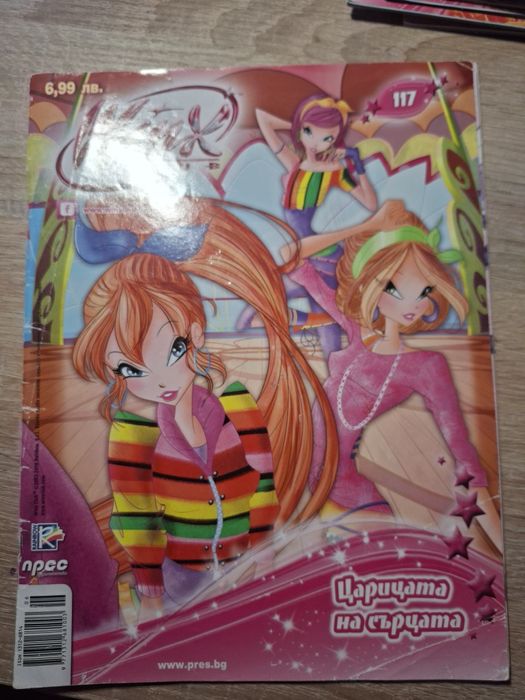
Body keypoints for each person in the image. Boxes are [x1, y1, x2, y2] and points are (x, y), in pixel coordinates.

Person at [72, 198, 338, 622]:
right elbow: (137, 516)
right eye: (129, 369)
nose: (158, 380)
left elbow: (262, 485)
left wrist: (263, 557)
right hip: (180, 581)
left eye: (173, 349)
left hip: (243, 571)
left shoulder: (236, 404)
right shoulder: (134, 431)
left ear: (195, 333)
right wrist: (151, 596)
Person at [281, 199, 502, 551]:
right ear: (370, 283)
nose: (413, 305)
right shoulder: (357, 329)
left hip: (339, 485)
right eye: (396, 290)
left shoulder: (426, 366)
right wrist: (369, 225)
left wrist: (503, 547)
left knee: (375, 554)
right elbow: (290, 256)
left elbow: (464, 455)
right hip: (304, 463)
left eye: (424, 291)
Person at [253, 94, 377, 356]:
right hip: (305, 248)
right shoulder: (295, 165)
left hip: (314, 250)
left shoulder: (334, 172)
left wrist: (358, 167)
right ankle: (341, 358)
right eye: (310, 132)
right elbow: (262, 119)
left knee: (327, 310)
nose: (316, 143)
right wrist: (299, 124)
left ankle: (344, 356)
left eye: (327, 138)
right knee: (323, 309)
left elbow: (370, 202)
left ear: (335, 140)